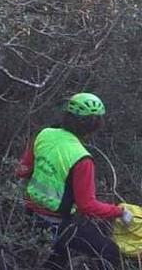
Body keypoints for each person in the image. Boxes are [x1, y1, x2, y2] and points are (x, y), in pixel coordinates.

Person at [15, 93, 132, 270]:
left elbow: (22, 171)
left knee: (55, 262)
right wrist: (119, 212)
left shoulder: (44, 134)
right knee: (109, 251)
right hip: (57, 224)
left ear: (67, 115)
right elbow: (87, 206)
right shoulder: (81, 158)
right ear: (95, 127)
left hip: (29, 215)